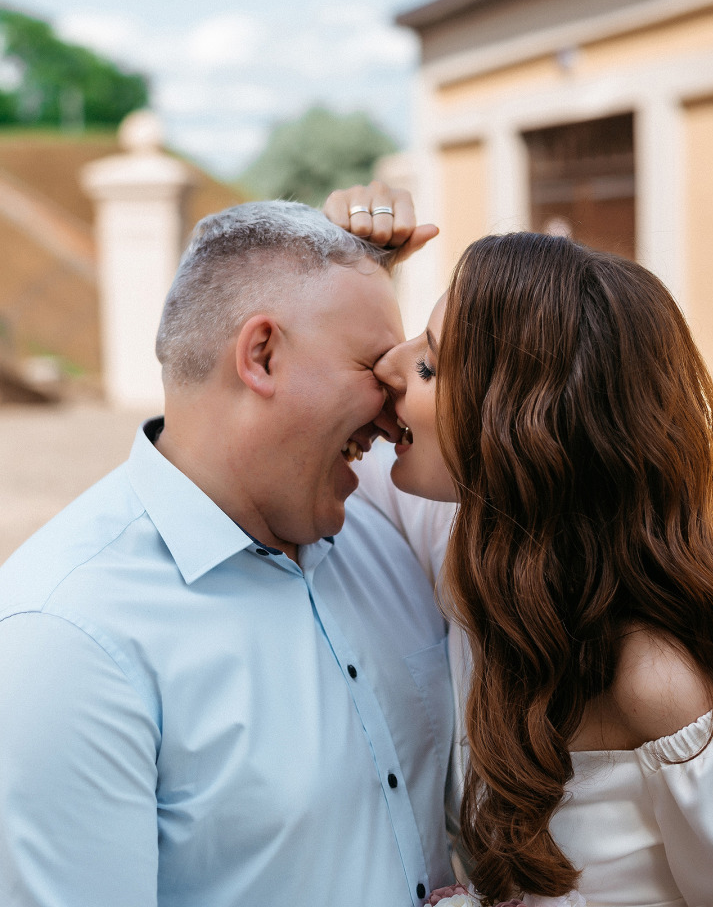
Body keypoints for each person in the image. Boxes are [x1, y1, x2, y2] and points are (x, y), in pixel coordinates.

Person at [0, 199, 457, 907]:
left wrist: (347, 275)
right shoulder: (64, 638)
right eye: (374, 364)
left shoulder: (390, 526)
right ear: (262, 355)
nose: (396, 405)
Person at [325, 192, 713, 907]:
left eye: (430, 367)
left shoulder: (655, 681)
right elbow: (286, 446)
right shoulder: (467, 542)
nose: (390, 364)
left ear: (517, 432)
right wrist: (340, 270)